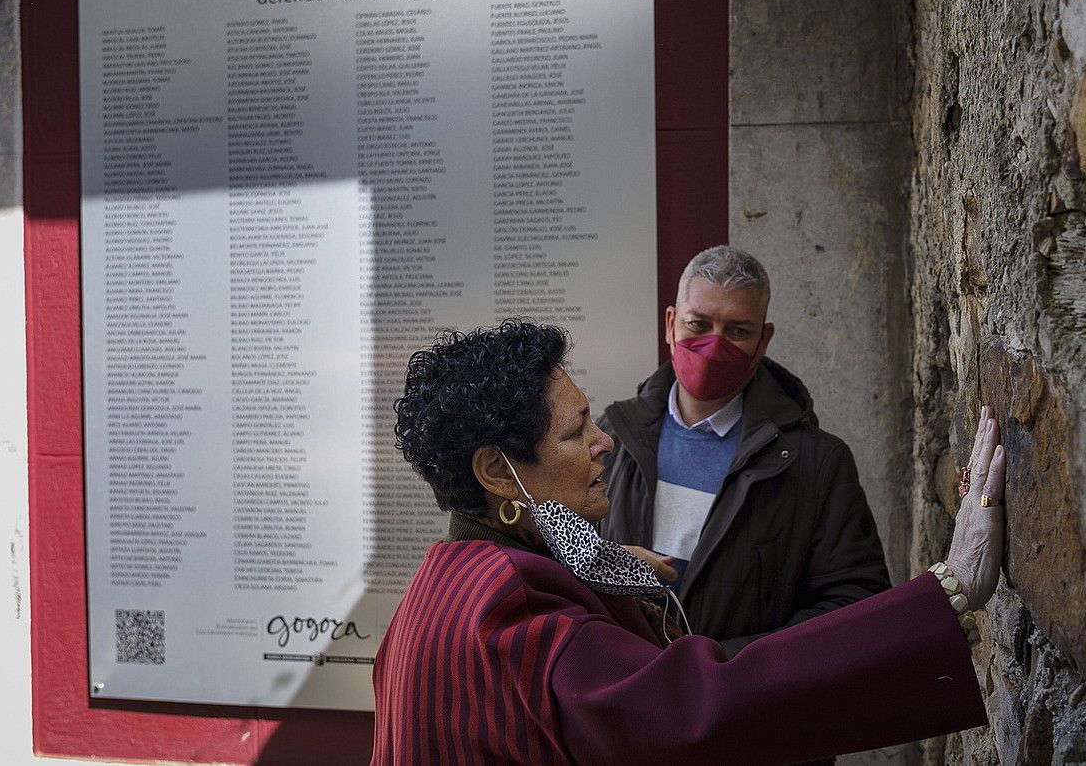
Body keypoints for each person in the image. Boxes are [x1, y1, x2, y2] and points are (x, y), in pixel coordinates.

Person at [371, 319, 1010, 764]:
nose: (603, 442)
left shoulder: (442, 583)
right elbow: (701, 708)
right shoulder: (511, 612)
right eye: (575, 433)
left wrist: (595, 572)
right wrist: (948, 589)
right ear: (494, 472)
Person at [598, 245, 889, 655]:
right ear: (670, 325)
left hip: (742, 707)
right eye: (698, 325)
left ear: (763, 339)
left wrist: (726, 668)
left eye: (737, 331)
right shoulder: (610, 440)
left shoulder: (817, 464)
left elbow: (854, 605)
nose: (715, 347)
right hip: (623, 694)